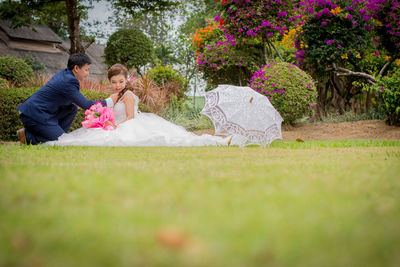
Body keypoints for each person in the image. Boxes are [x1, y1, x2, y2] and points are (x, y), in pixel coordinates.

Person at [46, 64, 230, 147]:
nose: (117, 85)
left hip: (129, 124)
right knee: (89, 136)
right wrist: (100, 118)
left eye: (120, 81)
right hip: (116, 124)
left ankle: (216, 141)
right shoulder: (114, 95)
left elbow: (130, 117)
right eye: (114, 82)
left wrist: (115, 126)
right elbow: (102, 107)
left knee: (167, 139)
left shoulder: (128, 96)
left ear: (126, 80)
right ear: (110, 82)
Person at [16, 53, 115, 145]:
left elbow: (71, 99)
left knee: (72, 108)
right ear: (76, 68)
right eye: (86, 70)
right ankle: (28, 136)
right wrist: (111, 100)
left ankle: (56, 133)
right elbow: (87, 105)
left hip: (42, 113)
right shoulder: (69, 81)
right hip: (35, 114)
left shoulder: (65, 74)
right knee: (63, 141)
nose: (88, 73)